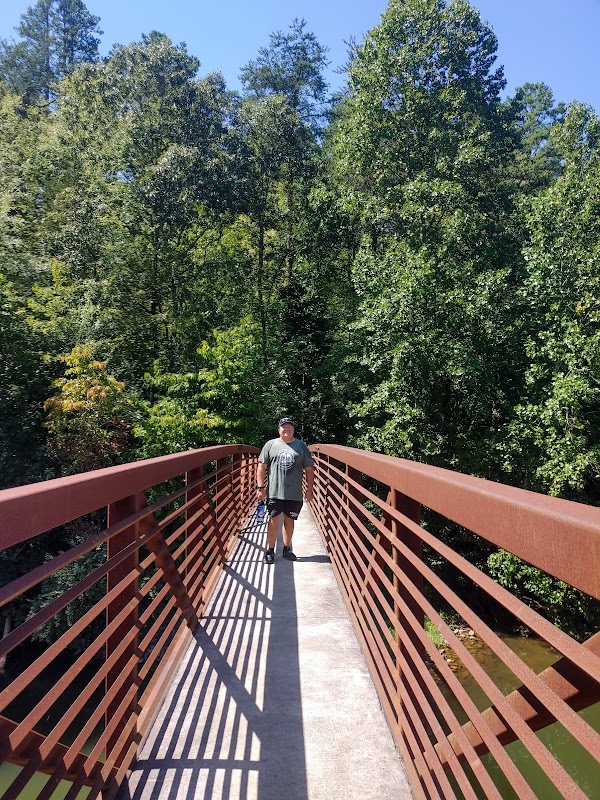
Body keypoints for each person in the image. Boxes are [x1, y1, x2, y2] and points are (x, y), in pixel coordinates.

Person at [256, 417, 315, 563]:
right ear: (279, 430)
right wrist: (260, 487)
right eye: (284, 427)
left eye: (289, 427)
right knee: (273, 520)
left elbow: (309, 469)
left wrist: (310, 489)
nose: (286, 429)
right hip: (274, 491)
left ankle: (287, 549)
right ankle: (270, 551)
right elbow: (261, 467)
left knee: (289, 521)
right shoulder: (270, 445)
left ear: (293, 430)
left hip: (294, 492)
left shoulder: (301, 446)